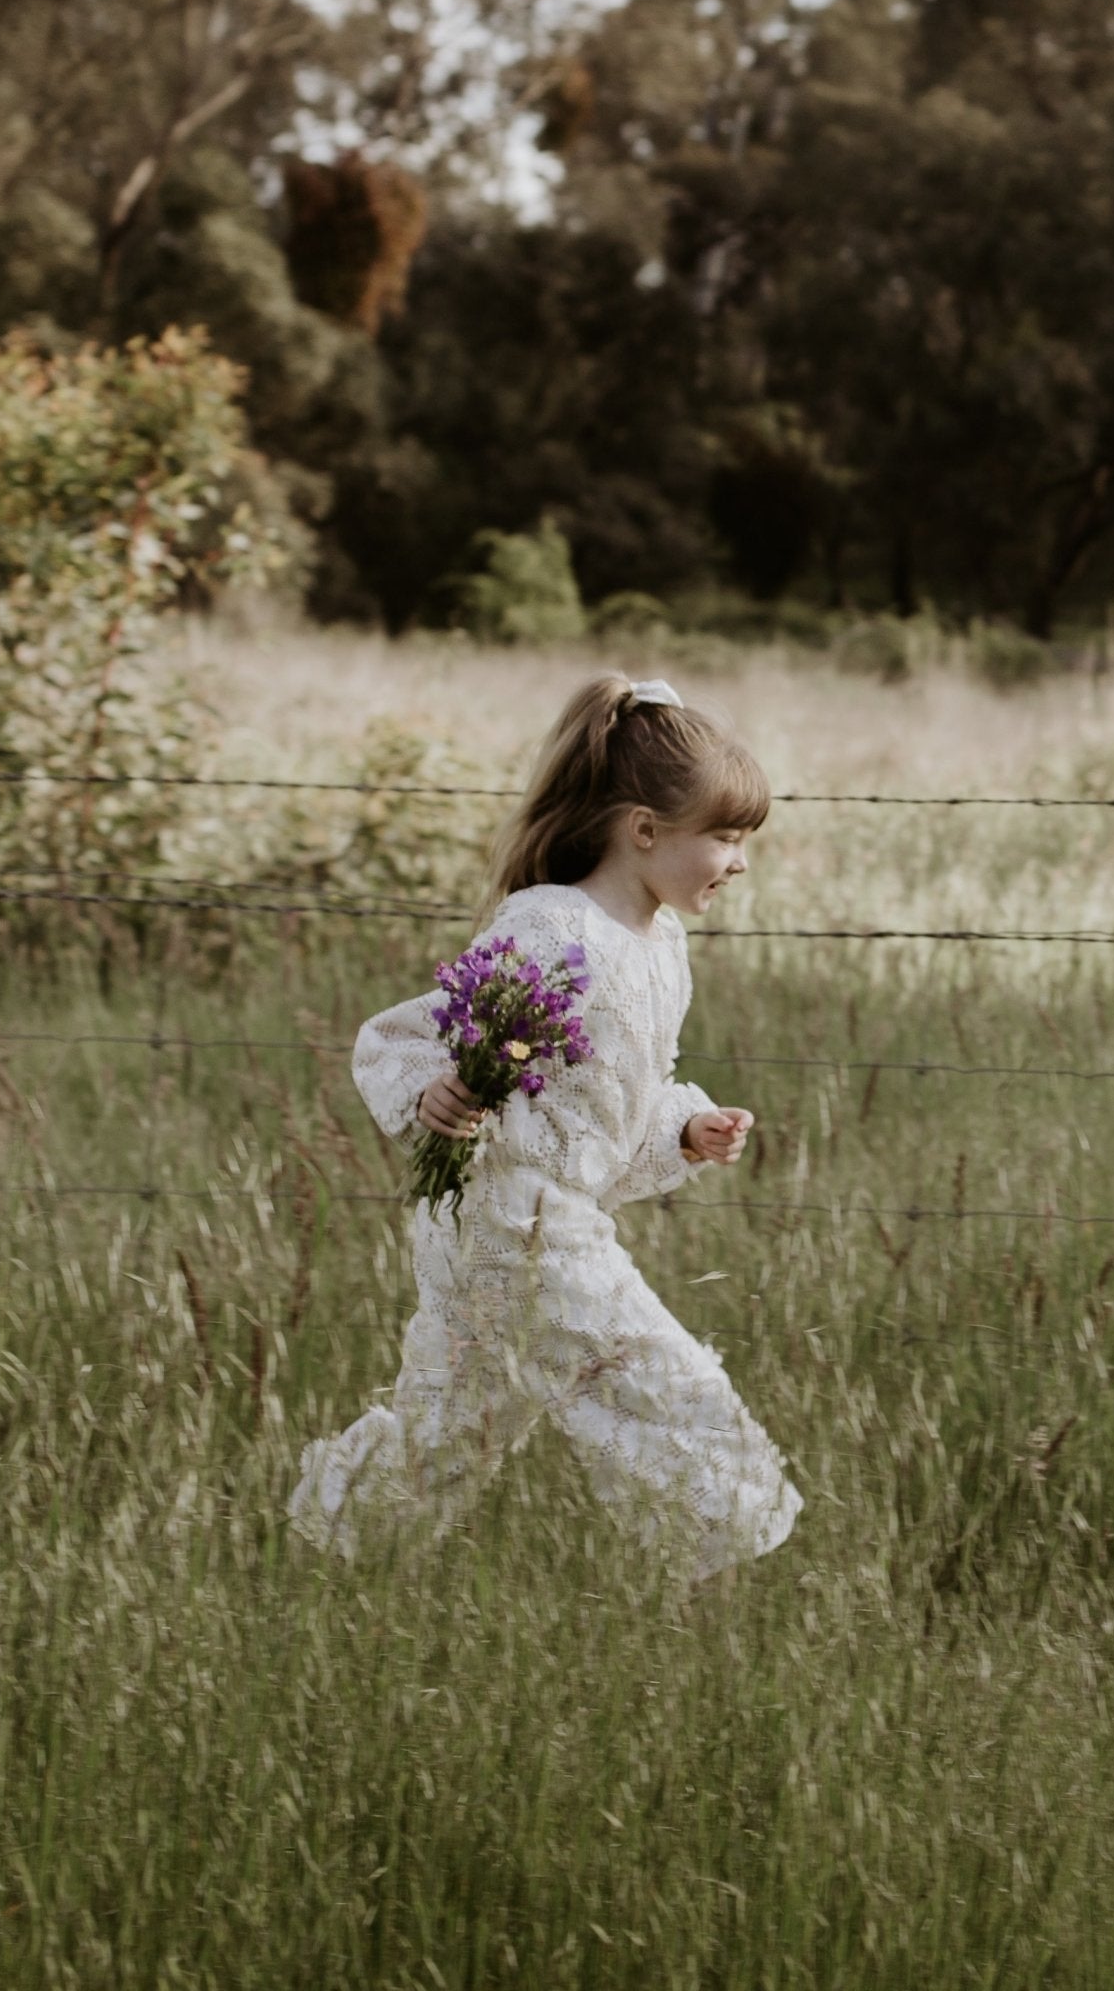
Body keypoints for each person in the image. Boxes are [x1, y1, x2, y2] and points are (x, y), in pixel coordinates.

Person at [288, 673, 803, 1583]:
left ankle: (330, 1557)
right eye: (724, 837)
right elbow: (404, 1040)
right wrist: (436, 1096)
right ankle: (730, 1576)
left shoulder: (658, 944)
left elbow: (603, 1118)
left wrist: (683, 1131)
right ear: (643, 830)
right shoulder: (553, 930)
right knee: (677, 1393)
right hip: (518, 1228)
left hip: (529, 1220)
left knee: (450, 1431)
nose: (740, 860)